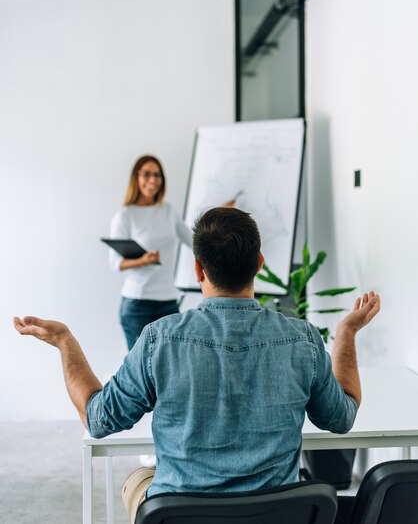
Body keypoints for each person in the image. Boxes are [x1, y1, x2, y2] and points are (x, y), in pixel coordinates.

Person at [14, 208, 380, 524]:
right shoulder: (301, 339)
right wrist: (346, 333)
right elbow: (341, 417)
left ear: (198, 269)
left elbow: (98, 418)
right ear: (259, 264)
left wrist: (65, 342)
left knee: (138, 479)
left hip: (182, 515)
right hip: (276, 514)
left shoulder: (160, 338)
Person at [109, 155, 192, 350]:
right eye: (147, 174)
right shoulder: (125, 216)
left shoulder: (168, 211)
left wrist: (219, 216)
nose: (153, 180)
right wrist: (143, 260)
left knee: (171, 365)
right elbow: (115, 263)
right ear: (136, 177)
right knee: (141, 369)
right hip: (138, 304)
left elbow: (193, 241)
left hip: (169, 302)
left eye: (157, 175)